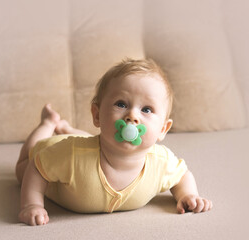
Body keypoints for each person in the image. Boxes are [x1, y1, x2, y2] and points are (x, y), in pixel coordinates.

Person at [15, 58, 213, 226]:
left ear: (162, 129)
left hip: (88, 144)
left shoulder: (160, 162)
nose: (132, 116)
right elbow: (37, 168)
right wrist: (31, 205)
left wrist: (187, 195)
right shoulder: (71, 155)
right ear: (97, 115)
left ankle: (67, 128)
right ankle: (48, 123)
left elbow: (182, 176)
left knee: (89, 141)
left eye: (146, 109)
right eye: (121, 104)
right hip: (49, 153)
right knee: (22, 168)